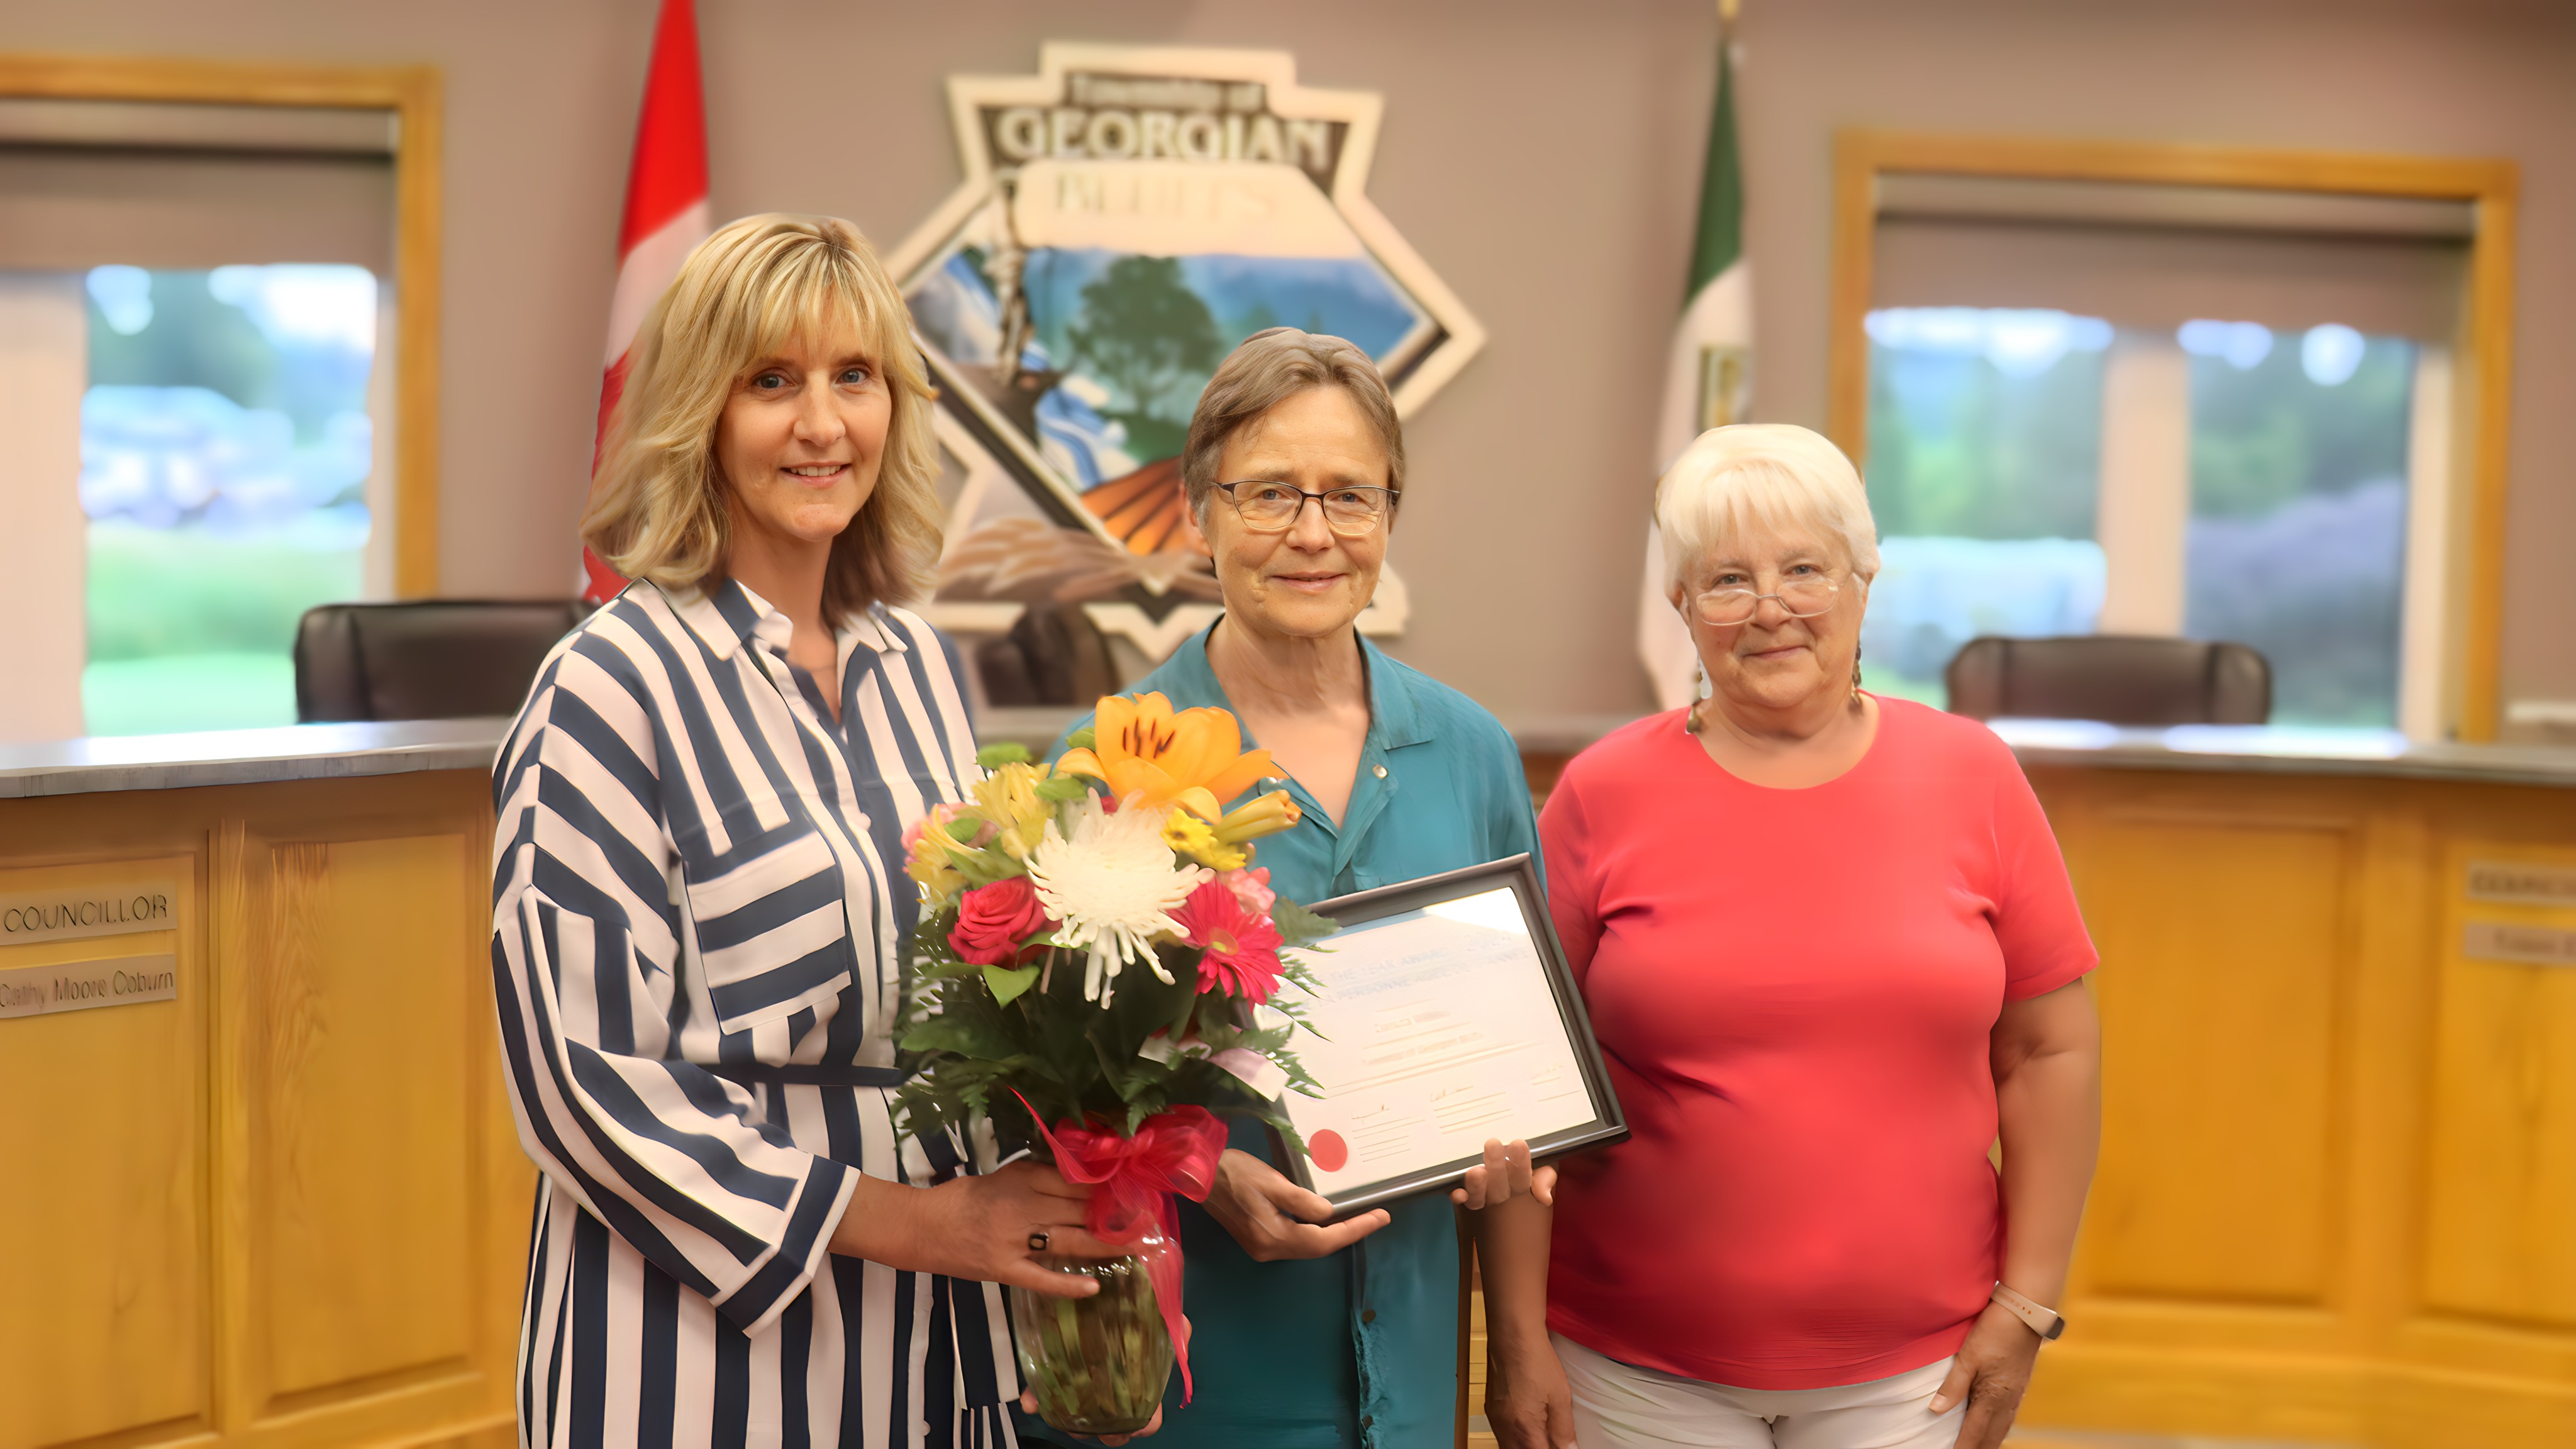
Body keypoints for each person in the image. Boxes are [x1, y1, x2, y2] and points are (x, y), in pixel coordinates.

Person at [491, 213, 1130, 1449]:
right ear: (698, 411)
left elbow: (969, 1007)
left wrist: (1107, 1262)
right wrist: (922, 1225)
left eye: (856, 378)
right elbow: (585, 1088)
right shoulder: (607, 688)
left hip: (934, 1348)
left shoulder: (921, 667)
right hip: (691, 1360)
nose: (823, 424)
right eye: (772, 382)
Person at [1479, 424, 2104, 1449]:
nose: (1769, 609)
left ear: (1864, 581)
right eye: (1726, 579)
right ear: (1682, 607)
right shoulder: (1603, 791)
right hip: (1631, 1371)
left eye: (1805, 569)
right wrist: (1513, 1340)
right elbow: (1516, 1080)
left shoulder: (1974, 774)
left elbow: (2050, 1048)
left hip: (1918, 1372)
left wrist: (2029, 1301)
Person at [1023, 328, 1550, 1449]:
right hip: (1180, 1369)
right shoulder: (1111, 755)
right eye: (1269, 494)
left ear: (1390, 517)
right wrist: (1207, 1178)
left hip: (1406, 1373)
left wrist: (1519, 1341)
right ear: (1197, 512)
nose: (1313, 534)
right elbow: (1038, 1084)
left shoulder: (1471, 753)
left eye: (1351, 497)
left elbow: (1521, 1074)